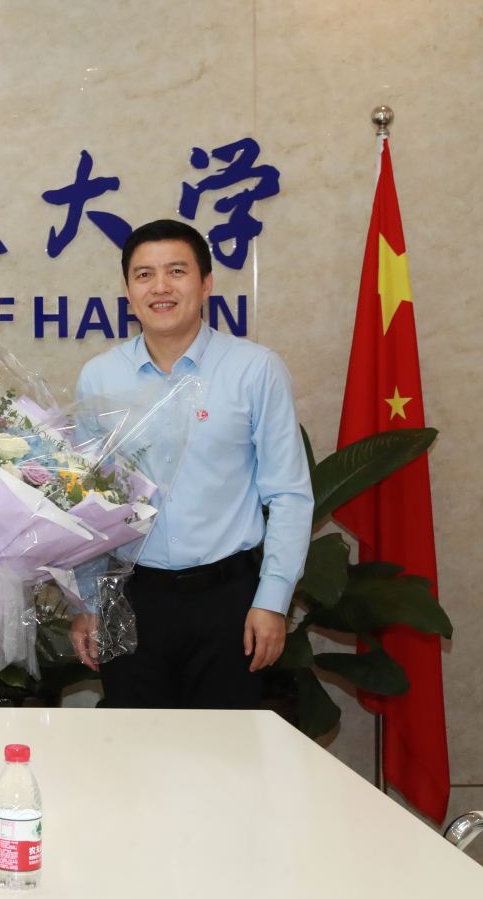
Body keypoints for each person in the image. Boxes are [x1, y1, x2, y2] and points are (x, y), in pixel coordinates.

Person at [70, 219, 313, 708]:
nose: (160, 287)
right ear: (127, 291)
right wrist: (88, 601)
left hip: (228, 601)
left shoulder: (254, 368)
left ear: (206, 284)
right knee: (135, 744)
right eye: (144, 275)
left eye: (176, 271)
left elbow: (288, 493)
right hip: (130, 597)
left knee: (224, 749)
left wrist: (272, 600)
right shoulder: (100, 377)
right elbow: (85, 502)